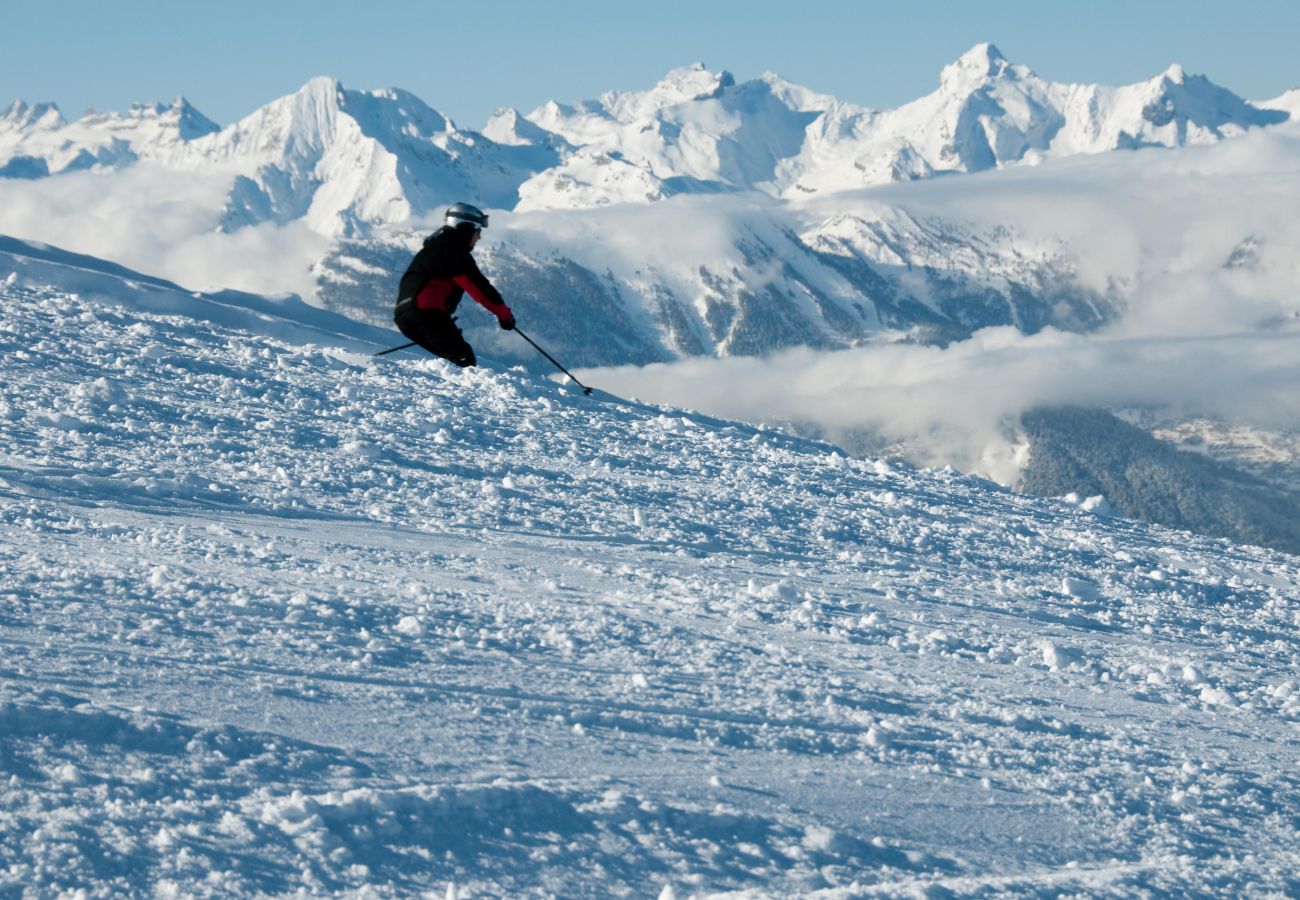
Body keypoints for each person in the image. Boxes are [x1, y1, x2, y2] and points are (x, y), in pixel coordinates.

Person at [393, 203, 516, 368]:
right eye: (478, 231)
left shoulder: (433, 249)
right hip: (427, 313)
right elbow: (479, 288)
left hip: (404, 316)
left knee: (448, 364)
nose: (479, 237)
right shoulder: (454, 250)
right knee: (464, 361)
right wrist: (504, 315)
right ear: (466, 228)